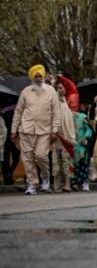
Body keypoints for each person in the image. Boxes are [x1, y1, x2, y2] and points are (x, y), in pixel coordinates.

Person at [11, 65, 60, 195]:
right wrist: (13, 130)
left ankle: (45, 177)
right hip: (26, 130)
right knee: (27, 158)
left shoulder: (51, 91)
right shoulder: (25, 91)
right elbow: (18, 112)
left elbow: (56, 113)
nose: (38, 79)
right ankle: (32, 184)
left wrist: (55, 130)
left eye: (40, 76)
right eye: (36, 76)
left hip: (44, 131)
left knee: (41, 156)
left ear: (44, 77)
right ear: (32, 78)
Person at [51, 80, 76, 192]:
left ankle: (67, 184)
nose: (59, 90)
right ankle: (57, 185)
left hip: (67, 135)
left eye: (61, 88)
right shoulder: (54, 102)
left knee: (66, 160)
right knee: (56, 160)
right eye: (58, 88)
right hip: (57, 135)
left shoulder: (69, 101)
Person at [71, 106, 93, 191]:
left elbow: (89, 130)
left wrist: (85, 137)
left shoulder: (82, 117)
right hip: (72, 144)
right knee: (74, 165)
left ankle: (85, 182)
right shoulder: (66, 116)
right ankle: (75, 183)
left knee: (84, 164)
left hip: (81, 144)